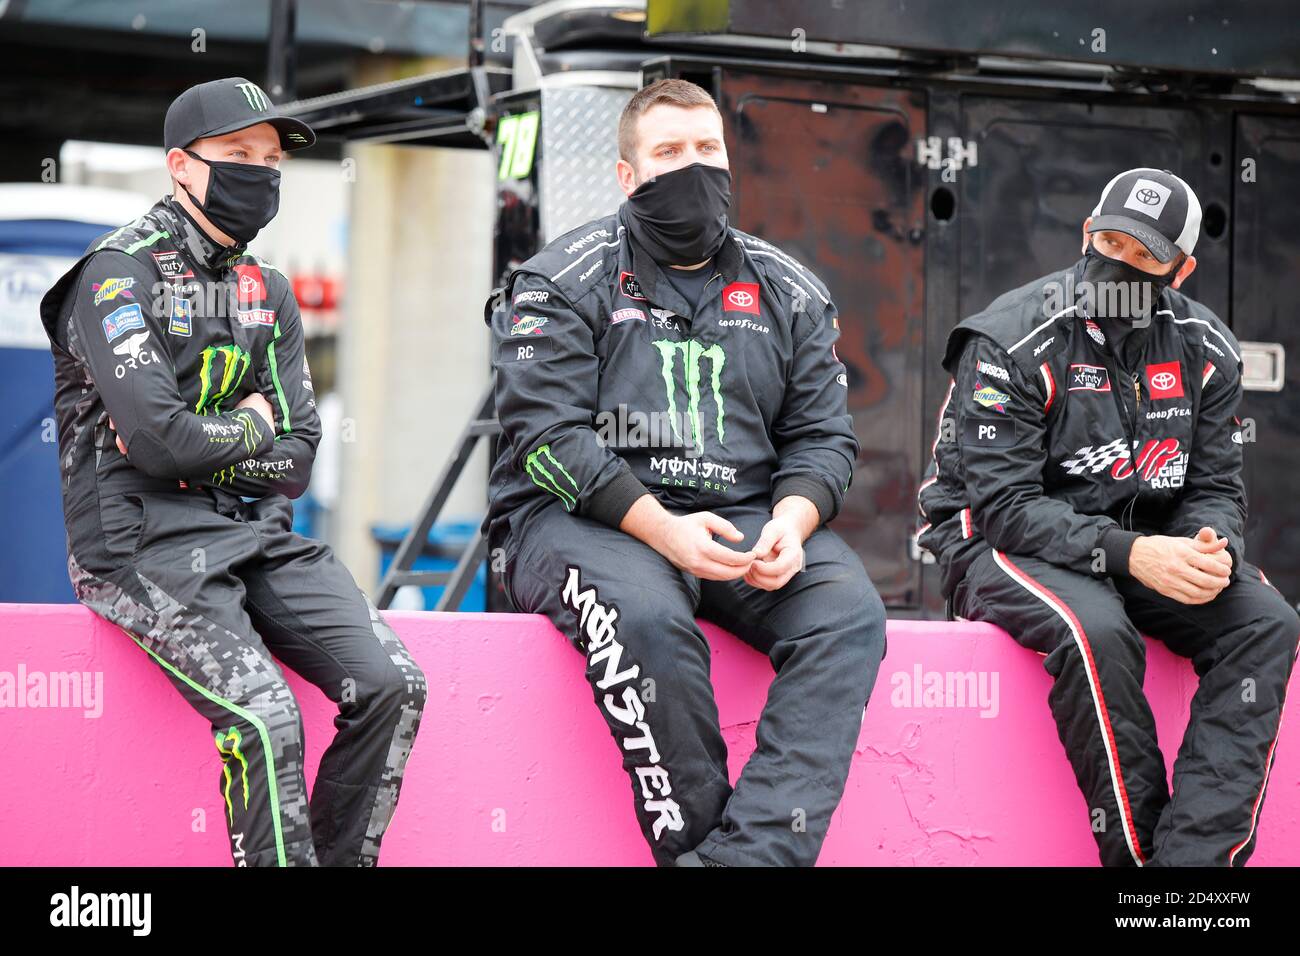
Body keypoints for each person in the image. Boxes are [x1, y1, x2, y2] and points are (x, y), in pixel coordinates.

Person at [482, 78, 887, 867]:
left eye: (708, 150)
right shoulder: (560, 280)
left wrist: (792, 521)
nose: (693, 168)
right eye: (668, 153)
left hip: (740, 515)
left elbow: (825, 440)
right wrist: (664, 531)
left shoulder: (789, 288)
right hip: (574, 522)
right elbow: (545, 439)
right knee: (647, 619)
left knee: (848, 616)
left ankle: (749, 861)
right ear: (628, 177)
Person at [39, 77, 427, 867]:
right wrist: (251, 421)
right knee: (261, 713)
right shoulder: (117, 274)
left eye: (272, 157)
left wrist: (212, 443)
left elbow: (298, 459)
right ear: (181, 166)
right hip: (136, 545)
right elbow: (157, 444)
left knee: (394, 686)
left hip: (254, 532)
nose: (262, 171)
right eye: (238, 155)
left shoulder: (268, 290)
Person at [917, 167, 1299, 866]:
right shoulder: (1010, 338)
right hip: (995, 542)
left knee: (1267, 620)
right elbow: (1005, 509)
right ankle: (1139, 870)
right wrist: (1135, 554)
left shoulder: (1207, 350)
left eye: (1145, 256)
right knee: (1095, 631)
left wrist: (1207, 544)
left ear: (1180, 271)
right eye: (1112, 240)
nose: (1121, 263)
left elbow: (1216, 484)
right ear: (1086, 233)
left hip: (1135, 545)